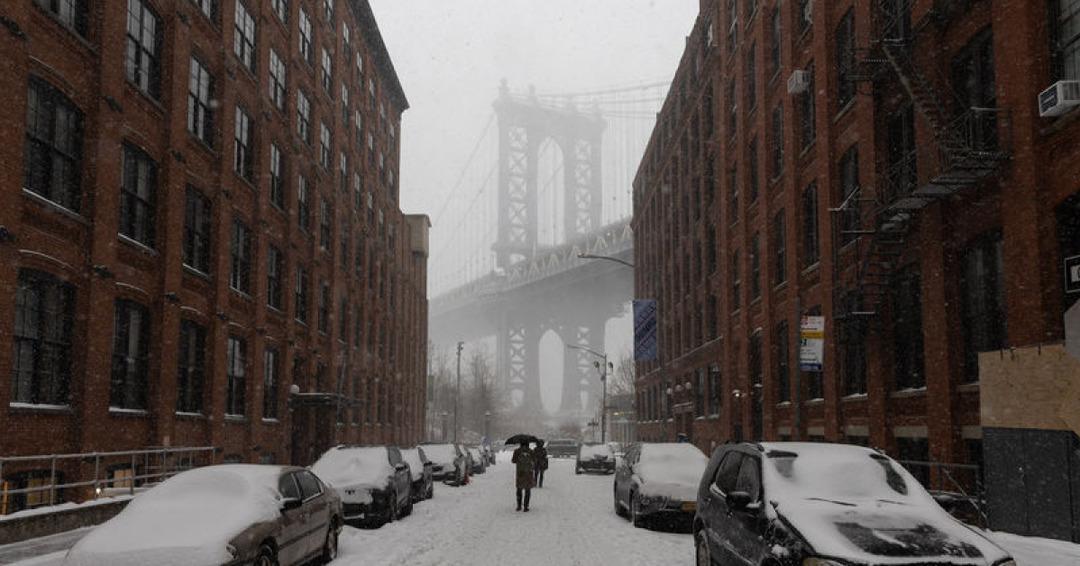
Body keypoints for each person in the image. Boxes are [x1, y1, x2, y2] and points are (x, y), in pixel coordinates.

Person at [511, 441, 535, 511]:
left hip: (520, 472)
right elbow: (534, 460)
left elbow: (513, 461)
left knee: (519, 489)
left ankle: (519, 506)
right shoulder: (531, 451)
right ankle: (526, 506)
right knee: (527, 490)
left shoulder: (517, 451)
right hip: (528, 472)